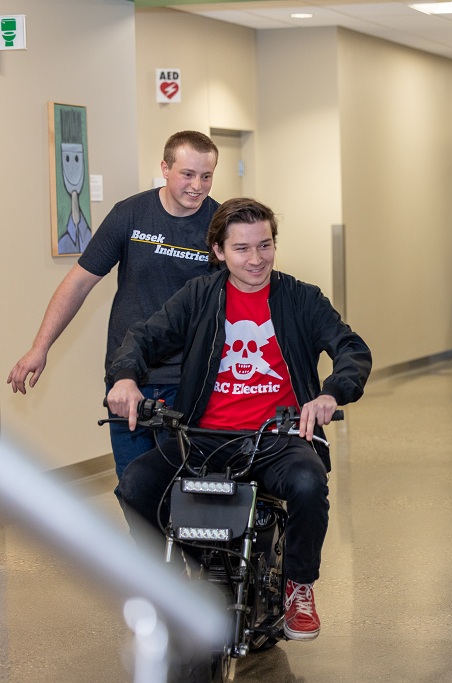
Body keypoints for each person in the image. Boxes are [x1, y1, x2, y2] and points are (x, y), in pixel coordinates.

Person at [106, 197, 372, 641]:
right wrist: (126, 378)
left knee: (308, 484)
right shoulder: (199, 296)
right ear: (218, 251)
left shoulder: (301, 298)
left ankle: (299, 585)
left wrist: (330, 393)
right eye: (242, 248)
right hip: (203, 436)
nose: (256, 259)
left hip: (278, 436)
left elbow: (351, 348)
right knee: (136, 486)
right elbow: (143, 337)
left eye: (264, 245)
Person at [7, 131, 219, 481]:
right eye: (188, 174)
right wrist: (39, 347)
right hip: (127, 377)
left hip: (189, 377)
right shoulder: (130, 214)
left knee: (186, 489)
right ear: (165, 168)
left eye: (206, 176)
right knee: (133, 485)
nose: (197, 186)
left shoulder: (219, 225)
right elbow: (78, 282)